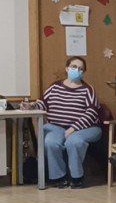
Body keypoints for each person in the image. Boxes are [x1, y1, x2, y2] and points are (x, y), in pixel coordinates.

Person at [20, 56, 102, 188]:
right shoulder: (55, 87)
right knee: (50, 142)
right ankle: (58, 177)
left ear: (84, 72)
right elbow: (43, 103)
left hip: (86, 127)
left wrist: (74, 128)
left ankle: (77, 178)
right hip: (57, 126)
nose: (77, 70)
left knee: (73, 142)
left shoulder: (88, 89)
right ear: (67, 68)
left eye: (81, 69)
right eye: (74, 67)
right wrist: (30, 106)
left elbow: (92, 112)